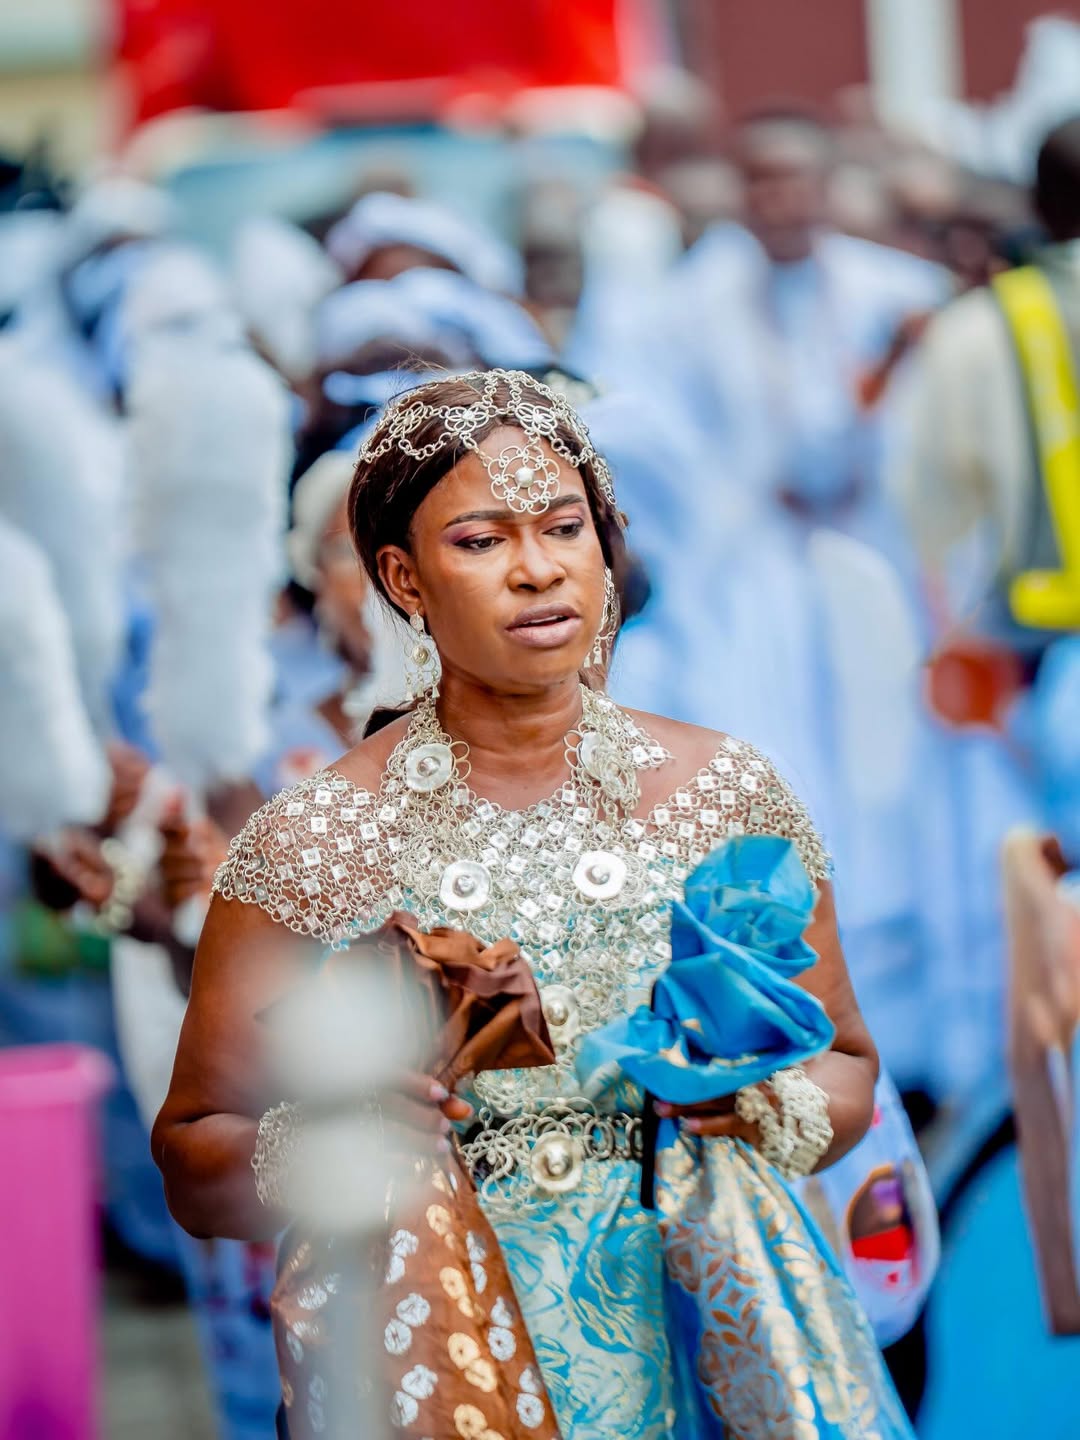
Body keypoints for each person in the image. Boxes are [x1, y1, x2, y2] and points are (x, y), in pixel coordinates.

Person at [153, 370, 906, 1437]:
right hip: (429, 1343)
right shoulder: (320, 837)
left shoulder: (726, 795)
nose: (537, 571)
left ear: (609, 546)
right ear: (402, 578)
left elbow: (848, 1070)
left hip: (693, 1330)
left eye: (564, 528)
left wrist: (752, 1102)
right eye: (481, 542)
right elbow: (193, 1158)